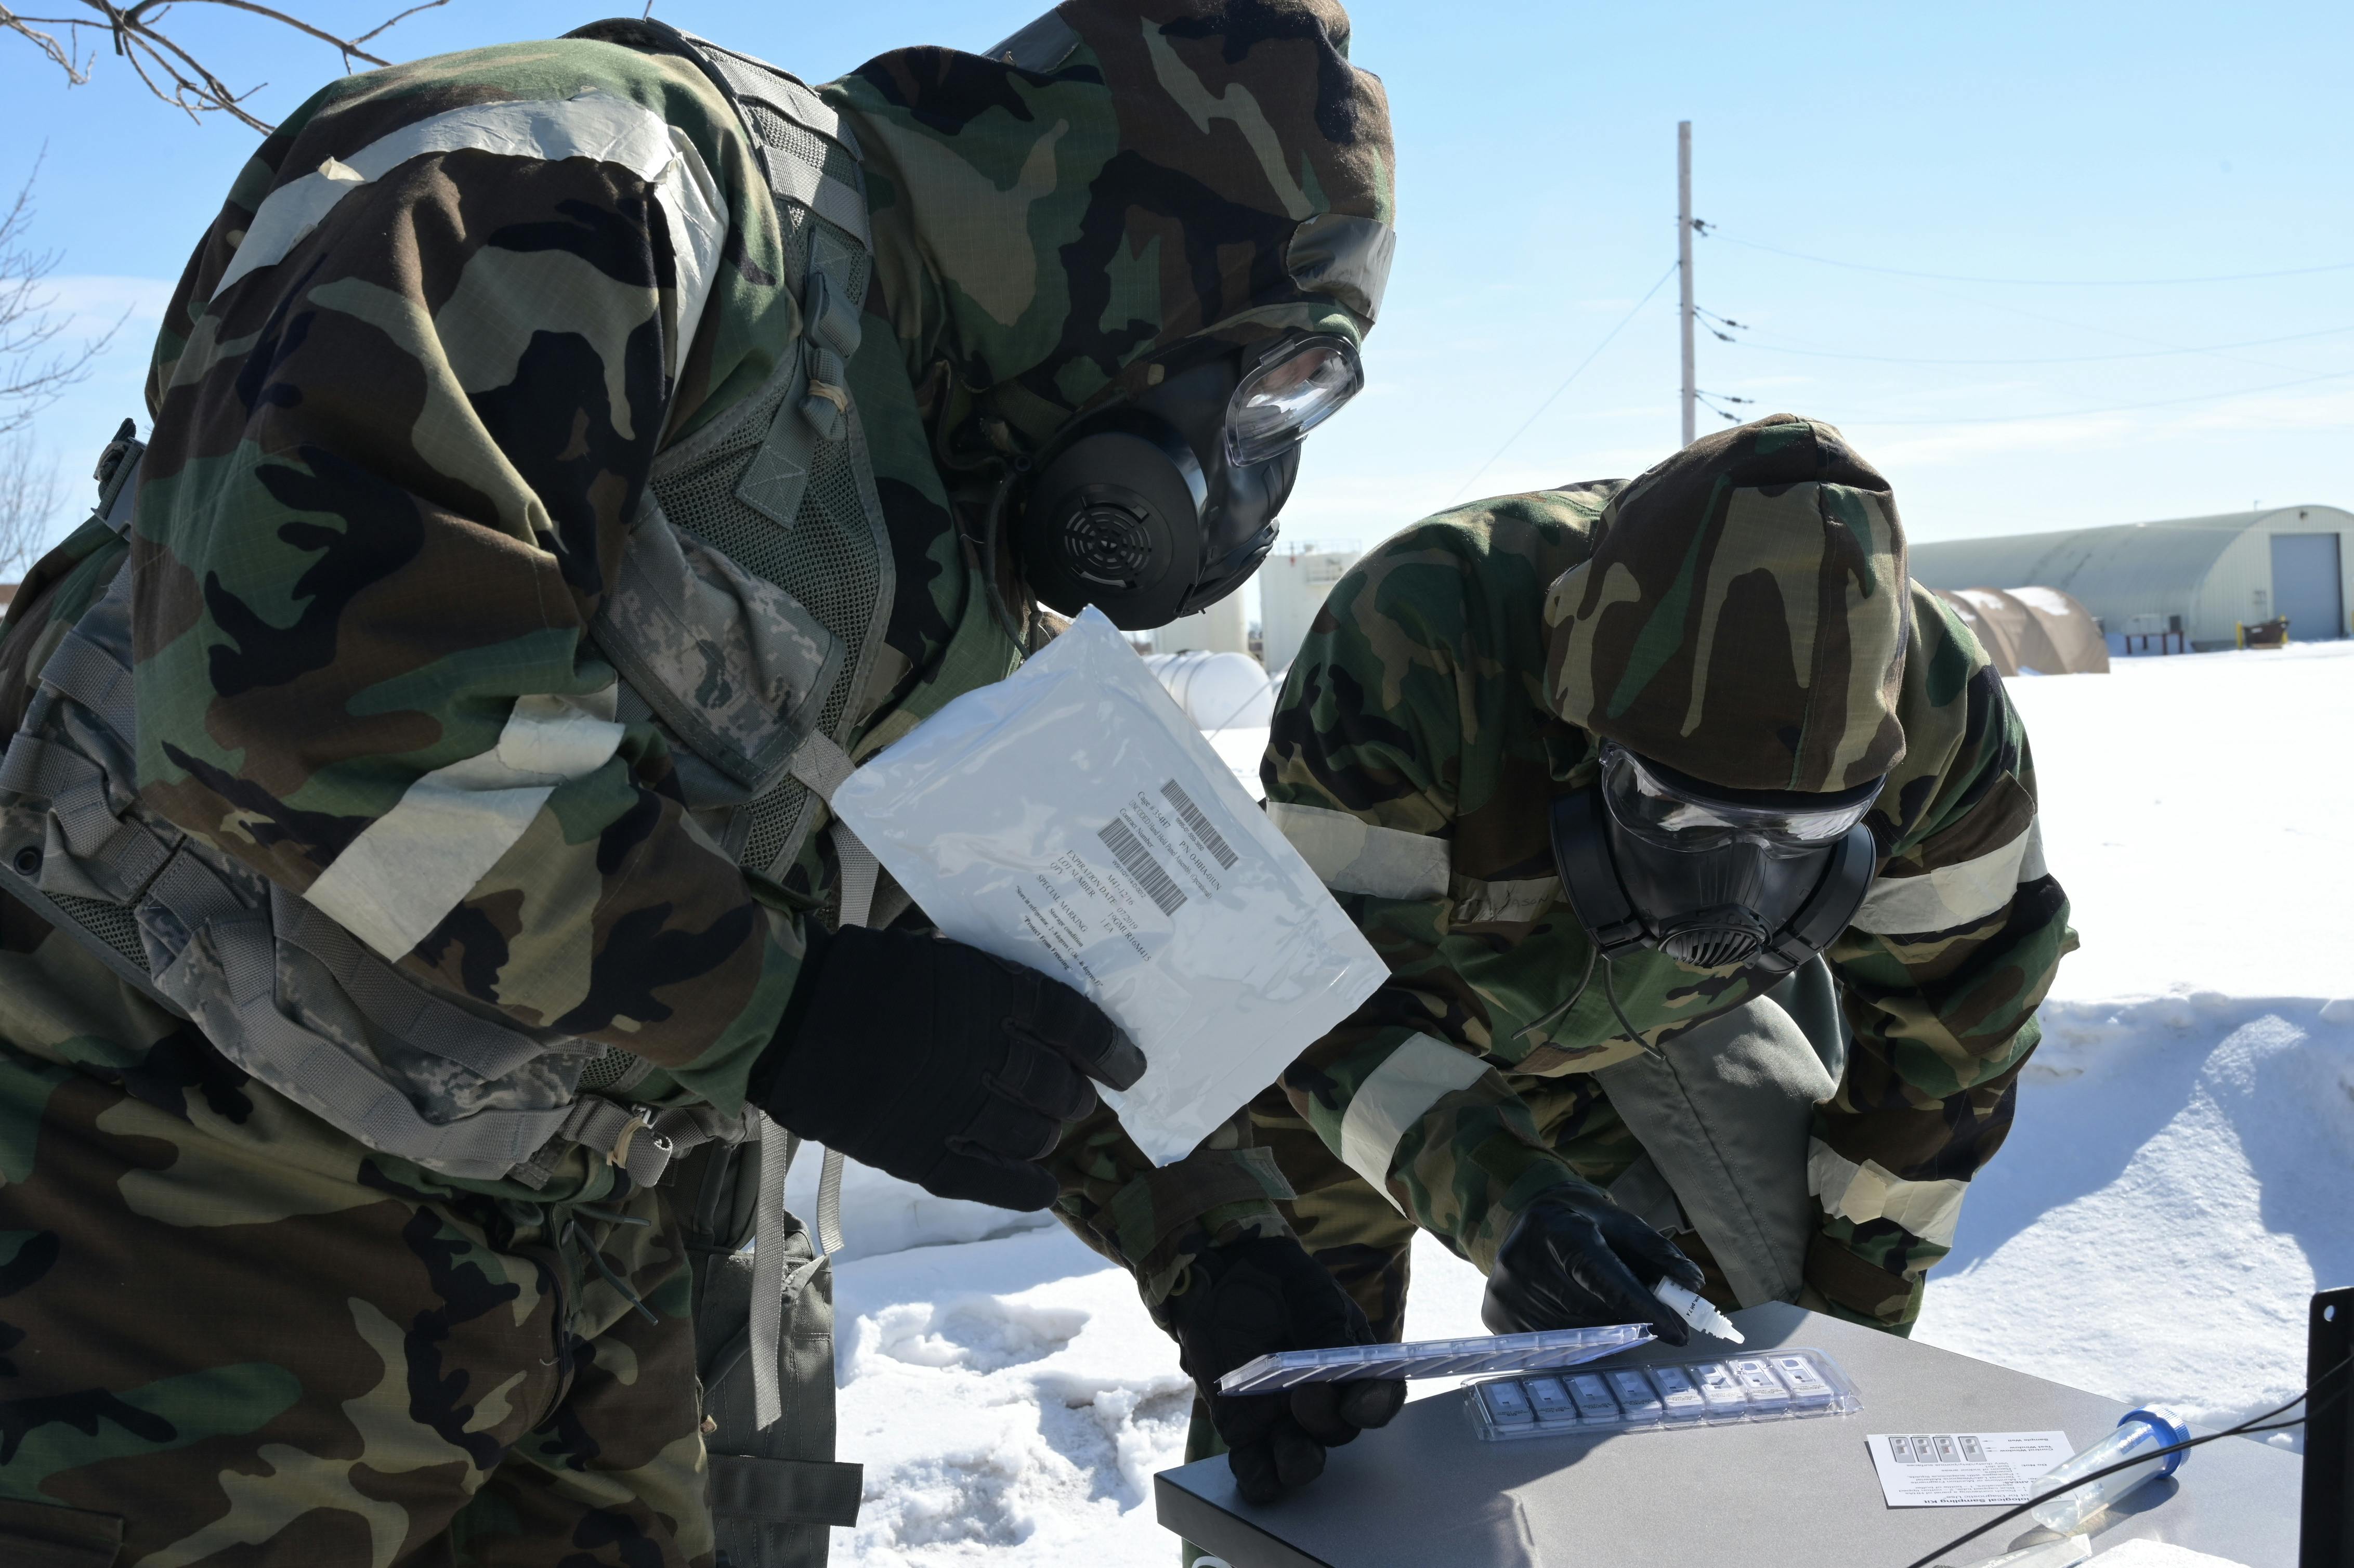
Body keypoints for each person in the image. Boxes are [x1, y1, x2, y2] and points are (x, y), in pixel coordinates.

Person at [0, 4, 1394, 1562]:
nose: (1257, 463)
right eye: (1267, 384)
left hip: (575, 1253)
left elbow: (1039, 971)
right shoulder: (592, 181)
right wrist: (780, 1008)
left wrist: (1220, 1251)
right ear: (1137, 246)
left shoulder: (975, 508)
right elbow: (293, 692)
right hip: (163, 1194)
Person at [1100, 413, 2075, 1517]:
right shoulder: (1425, 633)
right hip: (1383, 1027)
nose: (1736, 895)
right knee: (1305, 1386)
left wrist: (1840, 1351)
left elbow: (1944, 1064)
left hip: (1671, 1022)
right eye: (1681, 816)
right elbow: (1305, 999)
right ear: (1581, 707)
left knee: (1762, 1351)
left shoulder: (1944, 727)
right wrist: (1505, 1201)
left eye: (1800, 843)